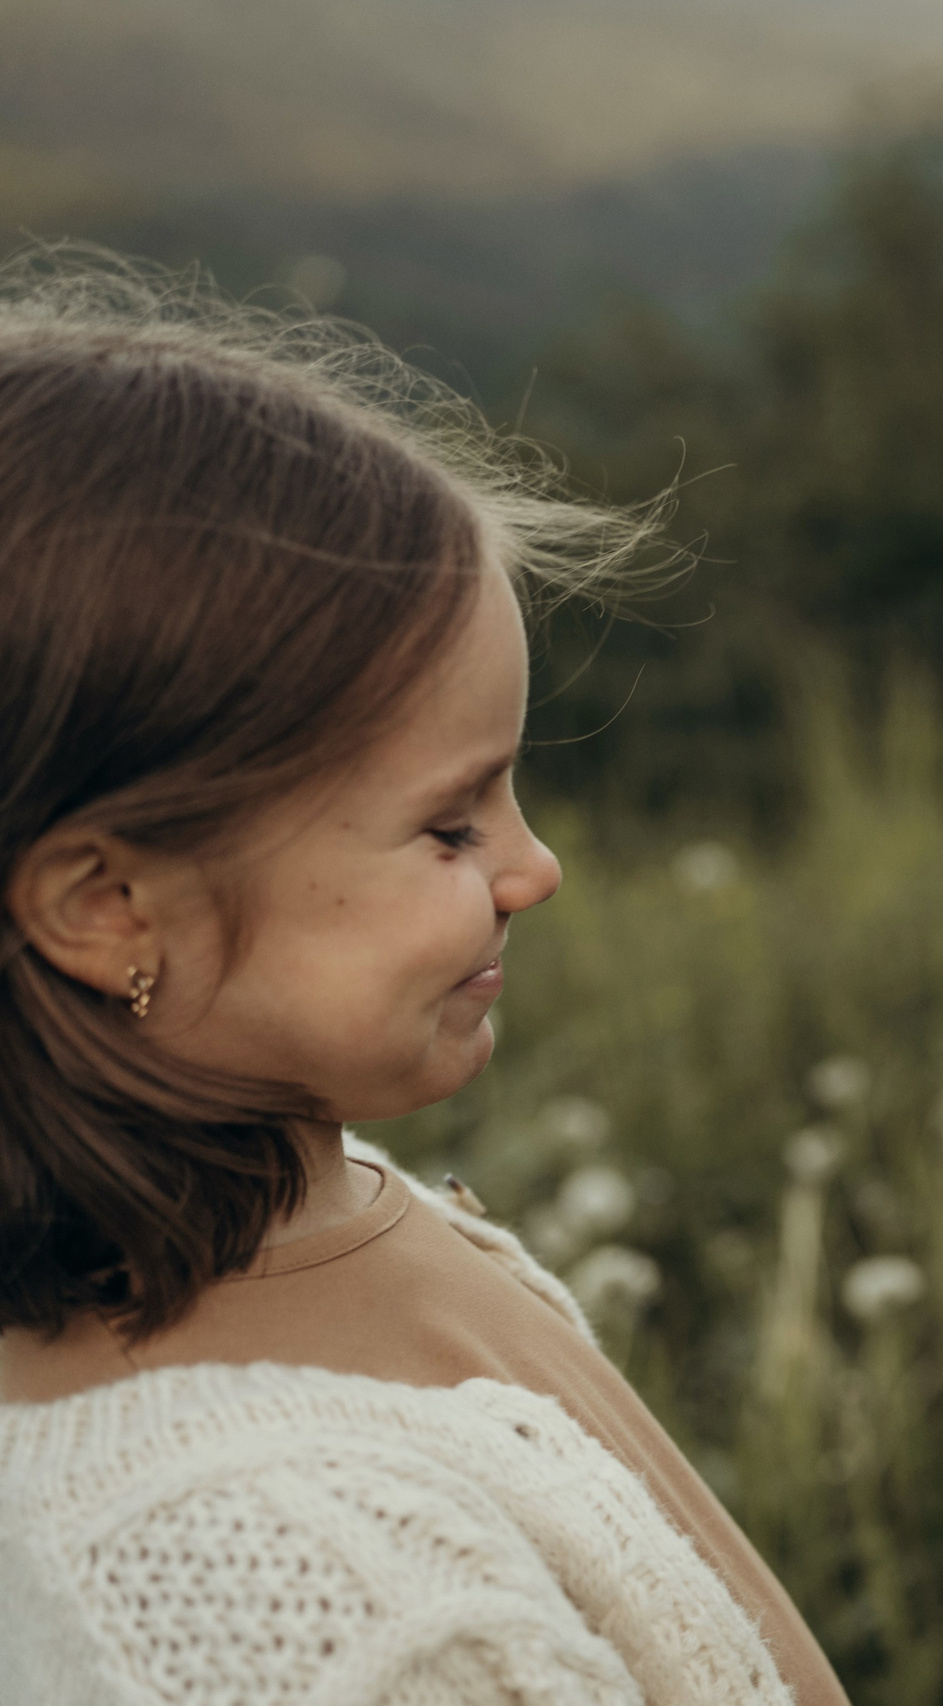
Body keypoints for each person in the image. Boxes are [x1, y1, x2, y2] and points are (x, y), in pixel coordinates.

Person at [0, 253, 851, 1705]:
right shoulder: (307, 1603)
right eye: (452, 823)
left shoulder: (308, 1191)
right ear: (108, 903)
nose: (535, 870)